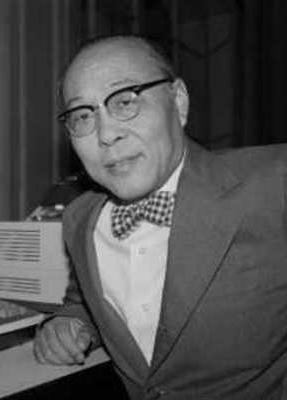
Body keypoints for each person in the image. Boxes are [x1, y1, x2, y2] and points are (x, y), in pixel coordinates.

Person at [33, 35, 287, 399]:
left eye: (125, 101)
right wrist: (69, 321)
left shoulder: (275, 182)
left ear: (178, 102)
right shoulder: (80, 219)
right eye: (83, 115)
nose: (106, 134)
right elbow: (85, 300)